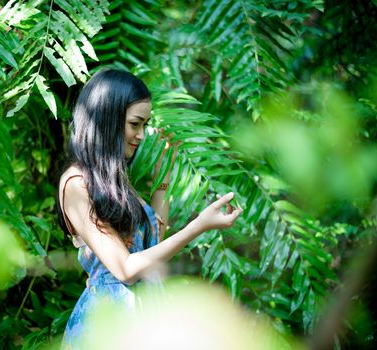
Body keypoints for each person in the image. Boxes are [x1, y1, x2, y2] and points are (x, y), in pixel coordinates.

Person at [57, 68, 242, 348]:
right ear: (109, 118)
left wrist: (163, 179)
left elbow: (153, 241)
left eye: (145, 125)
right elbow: (126, 269)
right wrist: (200, 225)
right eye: (135, 123)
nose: (141, 135)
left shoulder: (112, 182)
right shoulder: (76, 184)